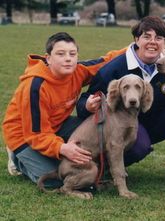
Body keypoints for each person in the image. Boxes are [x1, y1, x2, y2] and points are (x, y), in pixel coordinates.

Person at [76, 16, 165, 183]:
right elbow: (84, 102)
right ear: (136, 39)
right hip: (124, 126)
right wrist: (87, 106)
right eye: (147, 36)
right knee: (139, 146)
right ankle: (105, 168)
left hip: (157, 120)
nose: (153, 42)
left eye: (159, 38)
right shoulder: (114, 69)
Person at [2, 32, 126, 187]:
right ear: (48, 58)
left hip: (57, 125)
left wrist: (137, 47)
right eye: (60, 54)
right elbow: (36, 134)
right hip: (25, 135)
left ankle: (55, 155)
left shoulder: (77, 70)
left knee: (98, 130)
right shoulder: (35, 86)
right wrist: (62, 148)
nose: (68, 58)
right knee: (55, 179)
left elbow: (107, 61)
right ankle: (17, 159)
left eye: (72, 54)